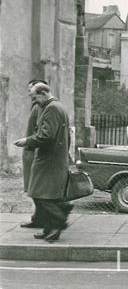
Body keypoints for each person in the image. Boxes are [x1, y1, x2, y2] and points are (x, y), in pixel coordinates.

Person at [14, 83, 72, 242]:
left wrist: (27, 141)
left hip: (48, 160)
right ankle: (50, 228)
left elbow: (46, 136)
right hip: (54, 159)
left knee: (40, 195)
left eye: (35, 97)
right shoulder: (58, 106)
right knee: (47, 195)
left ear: (43, 94)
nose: (34, 102)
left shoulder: (51, 108)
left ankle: (59, 219)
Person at [19, 79, 47, 229]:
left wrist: (30, 144)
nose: (29, 93)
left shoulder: (41, 107)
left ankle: (40, 219)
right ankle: (39, 217)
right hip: (30, 151)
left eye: (31, 90)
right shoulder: (36, 106)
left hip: (34, 151)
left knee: (36, 186)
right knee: (33, 186)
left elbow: (40, 131)